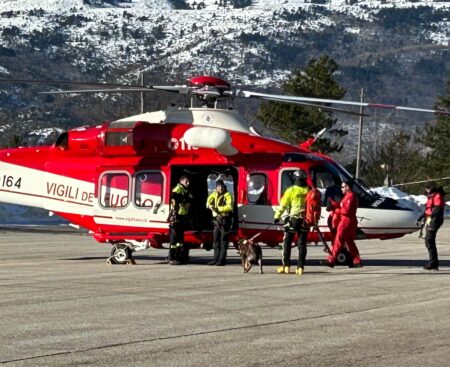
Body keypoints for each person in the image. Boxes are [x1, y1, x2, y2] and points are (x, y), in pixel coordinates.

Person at [273, 170, 309, 275]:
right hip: (305, 220)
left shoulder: (291, 190)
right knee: (302, 245)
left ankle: (286, 266)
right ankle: (300, 267)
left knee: (287, 243)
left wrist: (277, 216)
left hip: (293, 220)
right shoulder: (308, 190)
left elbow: (282, 205)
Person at [323, 180, 362, 268]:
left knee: (338, 241)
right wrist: (333, 205)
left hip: (346, 222)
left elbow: (346, 211)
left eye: (343, 187)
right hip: (349, 221)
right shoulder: (347, 196)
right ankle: (356, 260)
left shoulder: (350, 196)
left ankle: (331, 260)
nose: (341, 189)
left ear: (348, 187)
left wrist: (335, 210)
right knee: (349, 242)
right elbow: (342, 206)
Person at [417, 182, 445, 270]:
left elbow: (437, 208)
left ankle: (433, 263)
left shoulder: (437, 195)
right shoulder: (431, 196)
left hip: (435, 219)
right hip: (431, 219)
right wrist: (423, 215)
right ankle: (434, 263)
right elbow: (429, 208)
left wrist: (431, 216)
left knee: (429, 240)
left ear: (430, 188)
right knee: (429, 241)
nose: (426, 190)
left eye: (427, 188)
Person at [206, 179, 234, 266]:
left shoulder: (227, 195)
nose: (220, 188)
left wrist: (219, 209)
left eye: (221, 186)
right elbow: (207, 203)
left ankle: (222, 260)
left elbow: (230, 206)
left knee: (223, 240)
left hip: (225, 220)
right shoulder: (214, 194)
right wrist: (210, 206)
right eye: (218, 186)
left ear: (224, 187)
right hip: (216, 220)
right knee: (216, 241)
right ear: (216, 187)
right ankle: (215, 259)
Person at [167, 175, 193, 265]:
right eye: (186, 181)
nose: (188, 183)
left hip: (182, 217)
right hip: (176, 217)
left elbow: (190, 198)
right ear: (181, 181)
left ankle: (179, 257)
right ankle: (171, 258)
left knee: (180, 241)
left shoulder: (185, 190)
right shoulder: (177, 189)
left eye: (188, 181)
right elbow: (173, 199)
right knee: (174, 240)